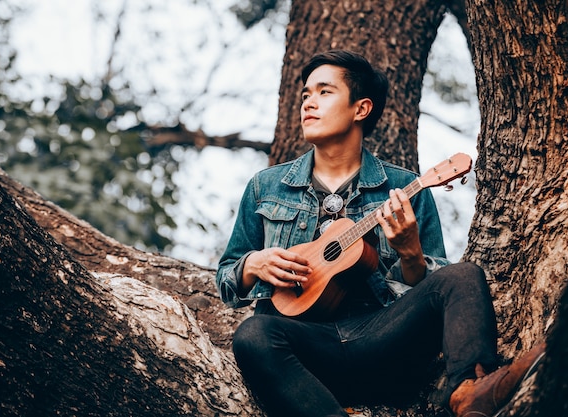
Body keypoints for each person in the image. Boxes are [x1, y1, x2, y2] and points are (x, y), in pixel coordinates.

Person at [215, 50, 545, 417]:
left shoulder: (404, 188)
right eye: (305, 94)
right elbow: (227, 278)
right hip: (303, 355)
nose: (309, 103)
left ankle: (470, 390)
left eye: (324, 92)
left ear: (361, 109)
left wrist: (409, 253)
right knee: (253, 335)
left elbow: (431, 293)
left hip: (381, 345)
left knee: (462, 275)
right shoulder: (267, 186)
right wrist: (254, 264)